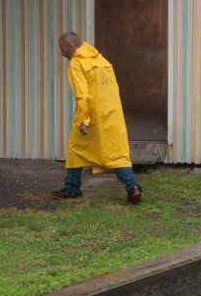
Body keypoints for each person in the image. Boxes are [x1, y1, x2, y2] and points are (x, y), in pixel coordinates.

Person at [53, 31, 142, 203]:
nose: (62, 53)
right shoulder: (102, 60)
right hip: (112, 114)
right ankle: (133, 187)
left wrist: (83, 120)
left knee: (75, 149)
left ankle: (72, 189)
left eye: (62, 49)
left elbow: (83, 96)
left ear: (70, 47)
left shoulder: (76, 64)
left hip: (91, 115)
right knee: (115, 151)